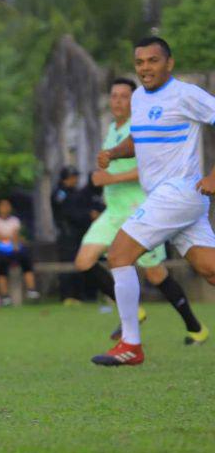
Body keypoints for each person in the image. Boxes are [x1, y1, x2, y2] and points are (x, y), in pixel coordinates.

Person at [93, 36, 215, 366]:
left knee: (118, 254)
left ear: (169, 63)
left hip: (177, 194)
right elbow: (141, 137)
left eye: (153, 61)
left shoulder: (185, 94)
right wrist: (115, 153)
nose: (146, 68)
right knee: (210, 269)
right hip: (173, 200)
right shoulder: (139, 100)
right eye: (140, 62)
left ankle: (131, 344)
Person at [74, 78, 207, 343]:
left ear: (134, 100)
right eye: (113, 96)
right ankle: (133, 313)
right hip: (113, 212)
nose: (118, 101)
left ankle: (195, 328)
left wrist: (110, 179)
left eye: (124, 96)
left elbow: (145, 169)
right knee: (84, 261)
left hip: (141, 209)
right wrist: (107, 161)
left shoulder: (144, 127)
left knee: (157, 274)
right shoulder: (113, 128)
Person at [52, 166, 94, 303]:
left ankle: (82, 295)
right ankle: (67, 296)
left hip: (79, 234)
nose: (76, 180)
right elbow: (68, 213)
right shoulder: (60, 193)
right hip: (67, 234)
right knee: (67, 264)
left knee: (81, 263)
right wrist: (88, 215)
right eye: (73, 177)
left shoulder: (76, 192)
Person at [0, 198, 40, 304]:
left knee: (26, 260)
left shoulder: (14, 220)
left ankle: (31, 289)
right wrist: (10, 238)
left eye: (7, 206)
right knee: (2, 267)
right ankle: (5, 295)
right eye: (3, 206)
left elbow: (15, 236)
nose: (5, 208)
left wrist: (12, 240)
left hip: (13, 248)